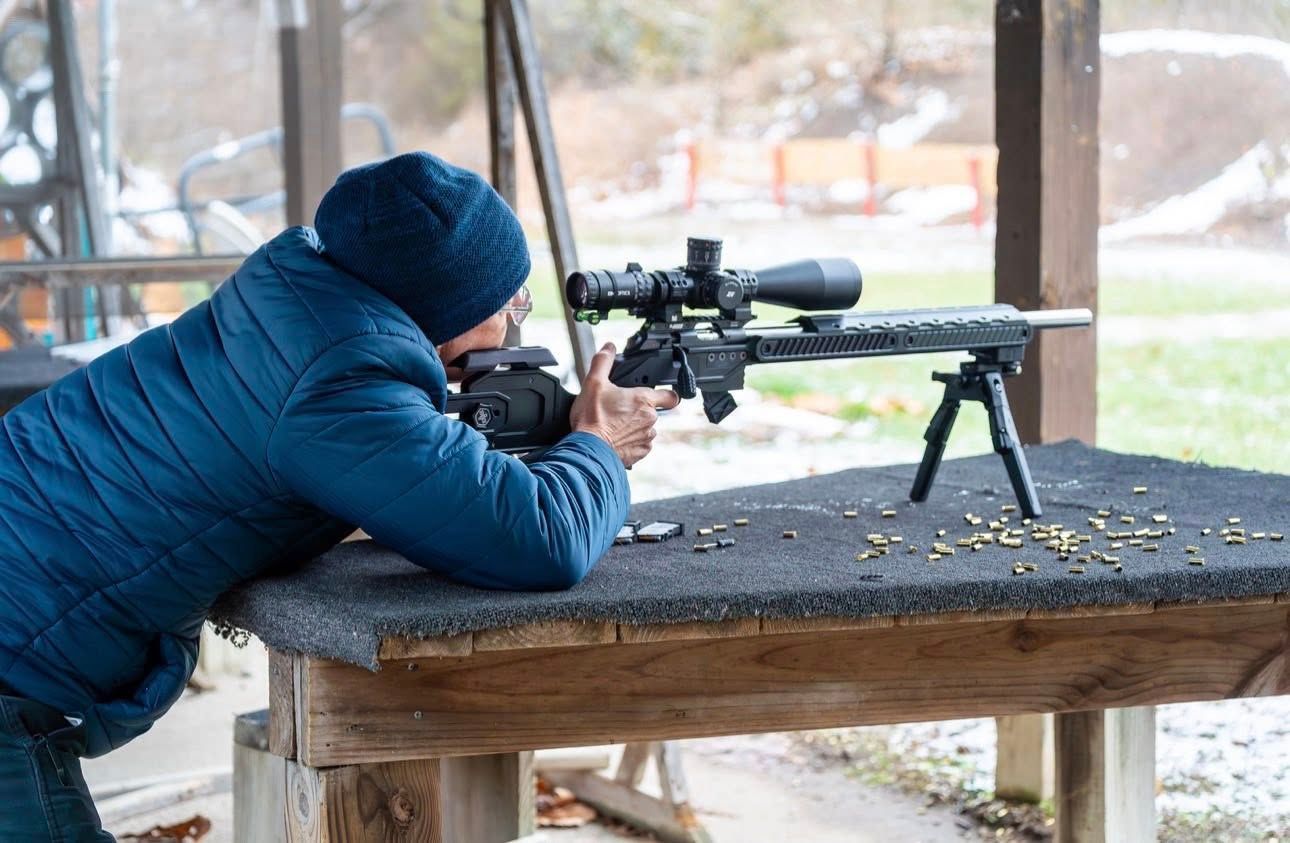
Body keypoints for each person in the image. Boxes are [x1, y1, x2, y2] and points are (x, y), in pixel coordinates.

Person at [0, 151, 678, 839]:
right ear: (450, 312)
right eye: (509, 303)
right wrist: (600, 440)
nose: (512, 322)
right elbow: (544, 539)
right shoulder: (341, 381)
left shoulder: (289, 303)